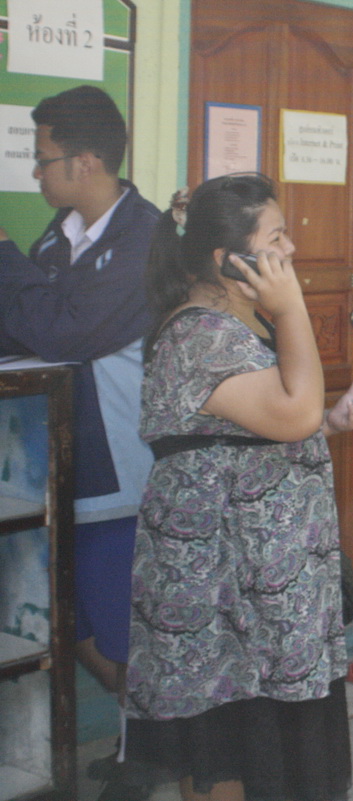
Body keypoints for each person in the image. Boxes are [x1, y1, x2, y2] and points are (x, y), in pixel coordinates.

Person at [123, 174, 353, 801]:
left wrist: (328, 421)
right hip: (223, 587)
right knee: (226, 736)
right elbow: (291, 412)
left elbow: (259, 424)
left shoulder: (234, 324)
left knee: (253, 732)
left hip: (258, 583)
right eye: (277, 236)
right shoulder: (200, 334)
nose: (290, 249)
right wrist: (291, 310)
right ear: (227, 259)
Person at [0, 86, 157, 703]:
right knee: (68, 624)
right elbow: (26, 324)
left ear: (85, 162)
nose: (36, 173)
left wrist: (3, 256)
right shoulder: (59, 235)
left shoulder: (144, 239)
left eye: (44, 159)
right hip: (60, 467)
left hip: (118, 479)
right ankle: (141, 734)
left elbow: (64, 332)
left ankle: (148, 742)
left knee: (125, 635)